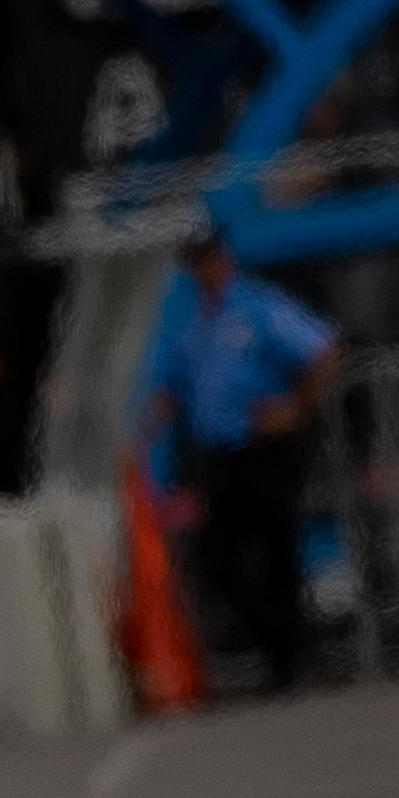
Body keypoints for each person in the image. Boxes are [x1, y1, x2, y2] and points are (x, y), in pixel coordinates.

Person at [153, 225, 339, 690]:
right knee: (218, 559)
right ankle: (277, 640)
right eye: (195, 262)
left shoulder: (257, 307)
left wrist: (294, 409)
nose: (203, 270)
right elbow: (175, 389)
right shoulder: (196, 324)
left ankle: (290, 660)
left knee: (278, 551)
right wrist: (139, 436)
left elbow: (321, 351)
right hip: (221, 457)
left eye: (208, 258)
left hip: (264, 451)